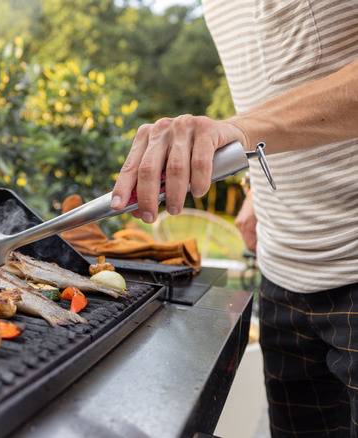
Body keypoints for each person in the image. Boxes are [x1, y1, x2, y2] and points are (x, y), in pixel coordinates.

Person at [110, 2, 358, 437]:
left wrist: (241, 129)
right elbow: (271, 80)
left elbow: (253, 120)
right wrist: (255, 190)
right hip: (282, 276)